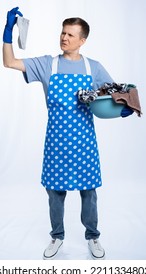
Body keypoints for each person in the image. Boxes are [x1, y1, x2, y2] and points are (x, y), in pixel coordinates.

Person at [3, 7, 115, 260]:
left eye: (70, 35)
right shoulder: (47, 65)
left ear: (82, 40)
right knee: (55, 193)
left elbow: (113, 94)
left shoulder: (93, 68)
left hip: (85, 143)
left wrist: (124, 108)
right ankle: (57, 236)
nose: (64, 38)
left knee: (89, 192)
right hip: (56, 143)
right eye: (63, 33)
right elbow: (9, 62)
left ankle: (93, 236)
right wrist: (8, 32)